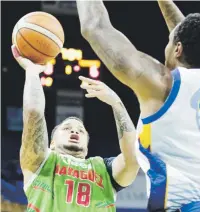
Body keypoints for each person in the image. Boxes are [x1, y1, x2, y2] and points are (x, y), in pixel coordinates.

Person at [77, 0, 200, 211]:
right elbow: (185, 32)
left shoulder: (164, 85)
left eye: (169, 42)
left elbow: (94, 27)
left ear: (178, 49)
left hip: (187, 206)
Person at [11, 45, 139, 211]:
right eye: (66, 128)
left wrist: (117, 103)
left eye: (81, 130)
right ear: (51, 143)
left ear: (87, 146)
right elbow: (34, 113)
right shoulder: (42, 161)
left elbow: (133, 158)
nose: (74, 131)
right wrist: (32, 73)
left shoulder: (103, 170)